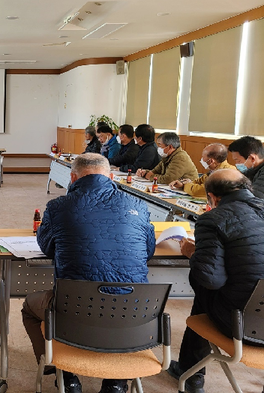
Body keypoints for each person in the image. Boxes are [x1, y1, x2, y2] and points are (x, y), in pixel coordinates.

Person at [21, 153, 155, 393]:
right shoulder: (137, 205)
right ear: (111, 177)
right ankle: (116, 383)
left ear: (72, 178)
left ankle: (65, 373)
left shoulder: (58, 206)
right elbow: (149, 249)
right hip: (133, 312)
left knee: (30, 308)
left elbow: (47, 247)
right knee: (119, 307)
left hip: (74, 310)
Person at [167, 170, 264, 393]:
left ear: (212, 197)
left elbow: (210, 279)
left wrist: (194, 253)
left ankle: (192, 376)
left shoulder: (213, 219)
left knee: (204, 290)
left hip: (243, 324)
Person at [169, 143, 235, 197]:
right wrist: (182, 184)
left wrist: (186, 185)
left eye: (203, 157)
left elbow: (199, 191)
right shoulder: (215, 169)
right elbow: (199, 181)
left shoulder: (225, 173)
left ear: (211, 161)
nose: (201, 160)